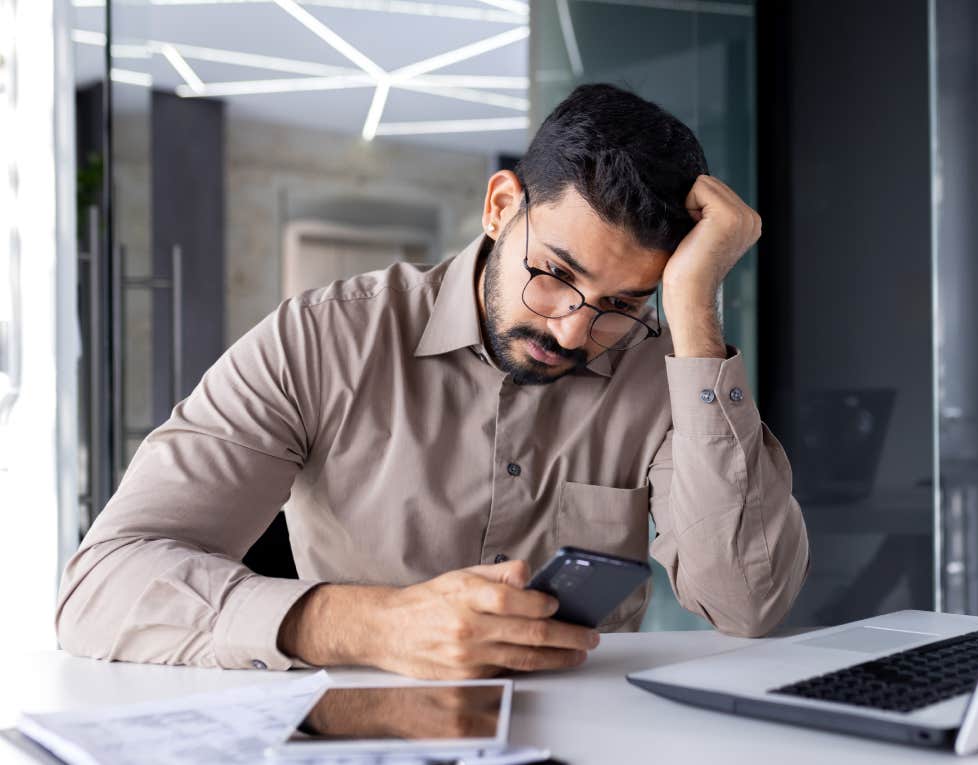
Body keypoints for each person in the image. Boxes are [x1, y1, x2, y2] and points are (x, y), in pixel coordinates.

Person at [55, 83, 809, 679]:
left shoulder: (660, 370)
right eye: (554, 275)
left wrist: (693, 316)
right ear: (500, 205)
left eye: (623, 303)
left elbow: (746, 603)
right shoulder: (321, 338)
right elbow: (100, 587)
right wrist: (375, 625)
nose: (574, 330)